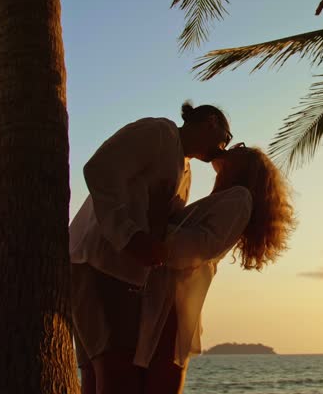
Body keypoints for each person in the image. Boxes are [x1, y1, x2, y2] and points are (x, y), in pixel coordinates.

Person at [69, 102, 232, 394]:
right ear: (211, 122)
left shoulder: (185, 169)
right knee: (115, 372)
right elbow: (100, 168)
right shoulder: (157, 132)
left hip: (120, 273)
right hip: (97, 262)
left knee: (101, 374)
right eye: (226, 138)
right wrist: (130, 237)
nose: (223, 148)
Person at [138, 144, 296, 394]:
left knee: (163, 369)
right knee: (158, 369)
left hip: (175, 294)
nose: (232, 147)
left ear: (245, 168)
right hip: (173, 291)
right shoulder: (229, 198)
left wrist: (149, 226)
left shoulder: (239, 198)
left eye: (239, 147)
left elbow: (194, 249)